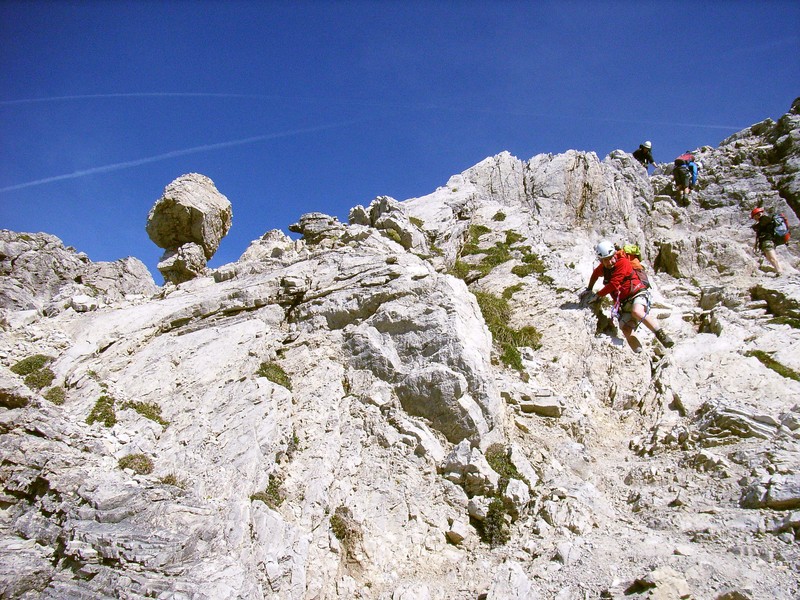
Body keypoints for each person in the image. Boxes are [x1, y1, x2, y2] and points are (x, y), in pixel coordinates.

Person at [580, 241, 675, 352]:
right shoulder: (603, 268)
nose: (609, 262)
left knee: (637, 311)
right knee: (626, 328)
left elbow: (614, 284)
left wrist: (598, 295)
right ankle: (639, 354)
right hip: (624, 303)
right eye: (605, 260)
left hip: (637, 293)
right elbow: (595, 275)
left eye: (611, 258)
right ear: (601, 260)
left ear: (614, 255)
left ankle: (661, 335)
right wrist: (589, 289)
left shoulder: (623, 263)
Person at [750, 207, 783, 276]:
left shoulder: (764, 219)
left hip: (767, 241)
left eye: (754, 217)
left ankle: (779, 271)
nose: (754, 219)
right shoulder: (765, 220)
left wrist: (754, 227)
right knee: (769, 257)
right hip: (767, 241)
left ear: (757, 215)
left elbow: (759, 227)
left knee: (772, 257)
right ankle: (778, 270)